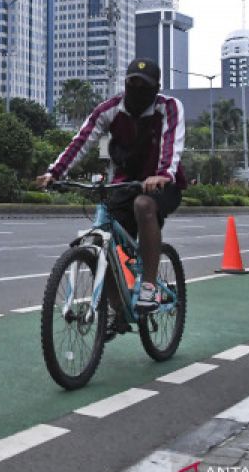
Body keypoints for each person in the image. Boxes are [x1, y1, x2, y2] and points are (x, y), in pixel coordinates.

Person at [35, 58, 186, 334]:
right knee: (103, 242)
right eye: (133, 83)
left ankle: (149, 287)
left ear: (157, 88)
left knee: (144, 205)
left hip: (162, 184)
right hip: (123, 184)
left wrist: (163, 174)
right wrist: (54, 173)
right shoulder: (110, 110)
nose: (137, 89)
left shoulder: (168, 108)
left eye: (144, 86)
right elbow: (82, 140)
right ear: (125, 83)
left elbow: (171, 144)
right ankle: (118, 309)